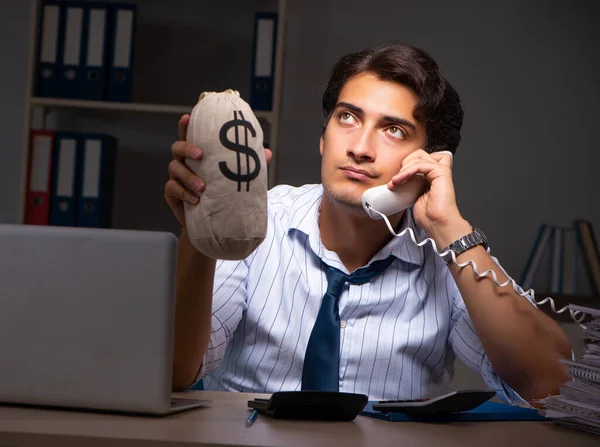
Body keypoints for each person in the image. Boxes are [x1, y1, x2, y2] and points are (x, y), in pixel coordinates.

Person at [165, 43, 571, 405]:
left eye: (393, 130)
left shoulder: (447, 254)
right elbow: (176, 373)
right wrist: (199, 230)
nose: (359, 148)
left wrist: (451, 230)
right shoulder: (261, 218)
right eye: (347, 118)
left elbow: (552, 385)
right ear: (323, 137)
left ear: (429, 161)